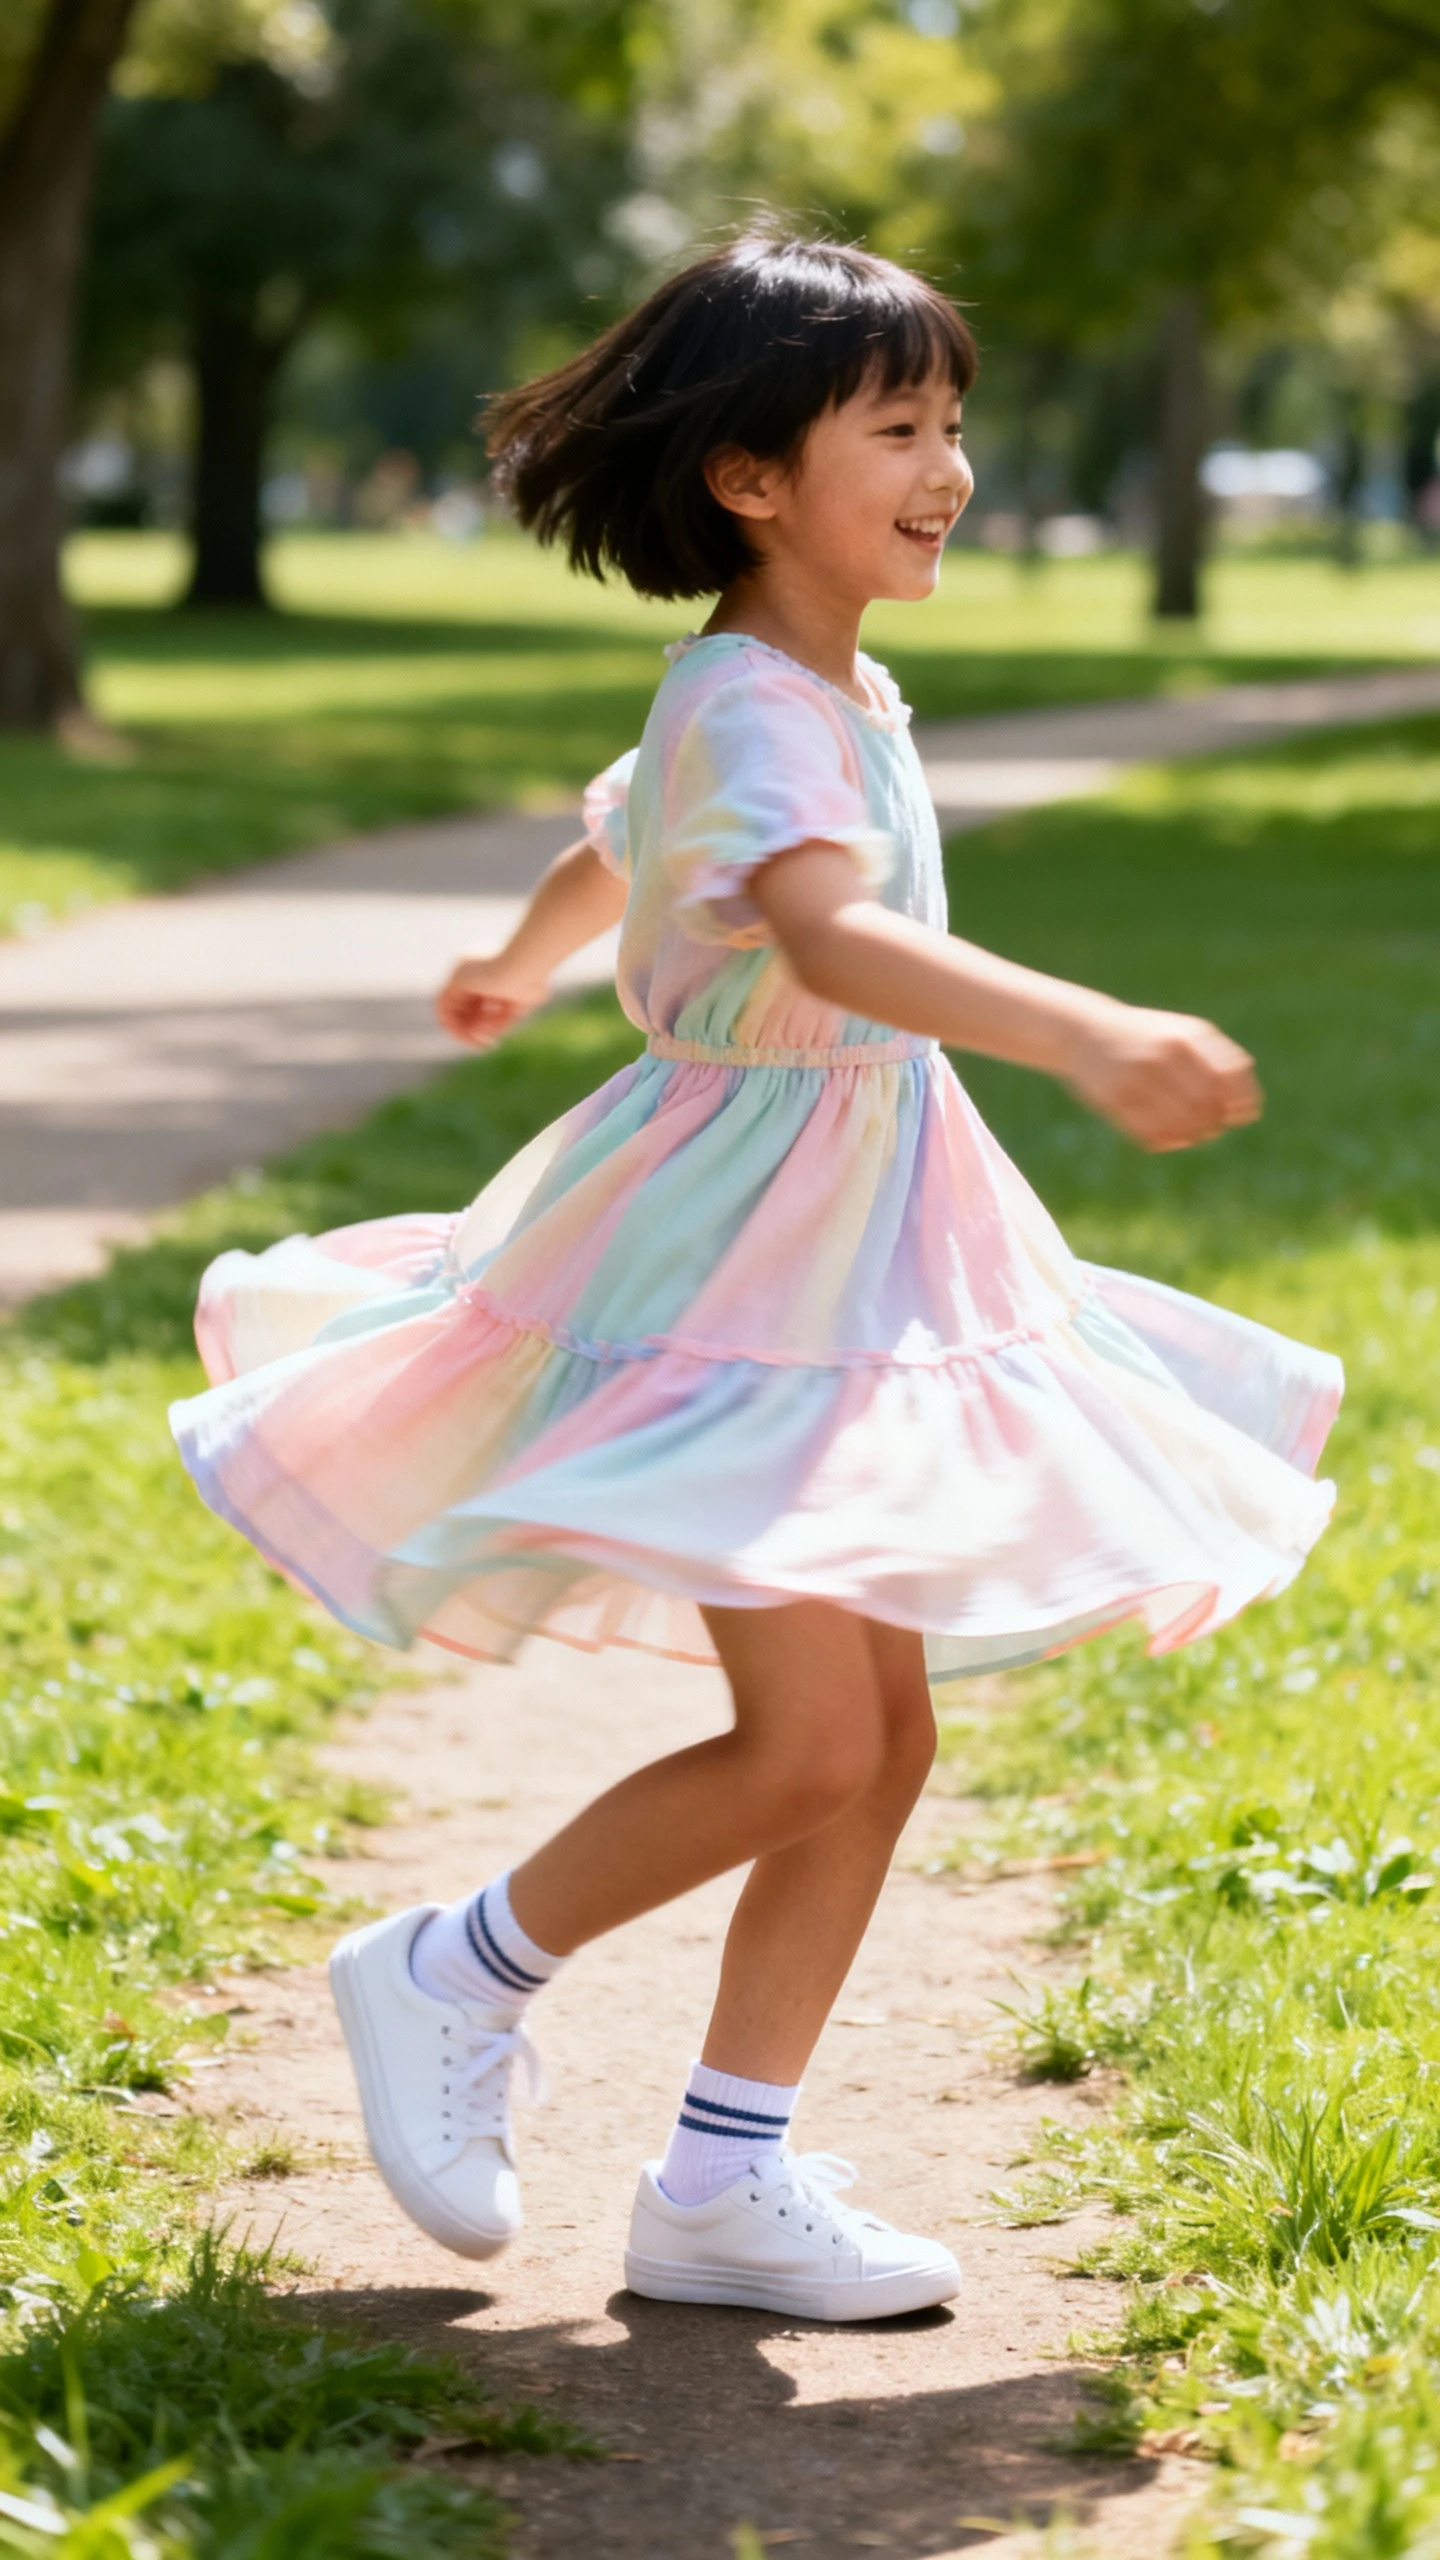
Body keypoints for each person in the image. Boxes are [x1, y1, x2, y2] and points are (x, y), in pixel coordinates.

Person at [170, 230, 1342, 2324]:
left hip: (864, 1238)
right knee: (809, 1742)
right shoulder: (750, 696)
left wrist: (521, 956)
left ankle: (726, 2170)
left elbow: (628, 835)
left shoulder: (821, 689)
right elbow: (816, 929)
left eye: (953, 422)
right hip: (752, 1255)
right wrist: (1080, 1027)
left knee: (876, 1738)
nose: (950, 464)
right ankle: (453, 1967)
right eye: (898, 425)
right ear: (748, 478)